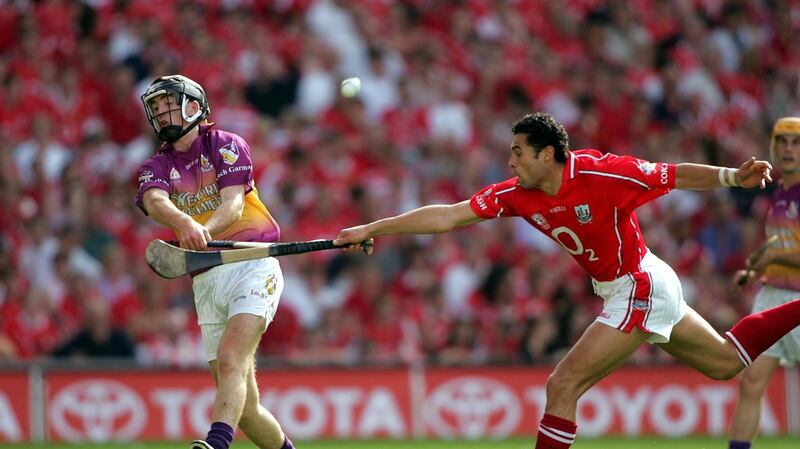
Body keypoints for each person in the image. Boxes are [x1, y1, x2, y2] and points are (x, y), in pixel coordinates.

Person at [334, 112, 800, 449]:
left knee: (561, 386)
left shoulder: (602, 172)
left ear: (547, 154)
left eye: (518, 152)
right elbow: (448, 217)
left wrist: (731, 178)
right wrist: (373, 228)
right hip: (630, 286)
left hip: (640, 283)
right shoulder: (517, 194)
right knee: (724, 363)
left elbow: (672, 175)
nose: (511, 162)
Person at [134, 75, 295, 449]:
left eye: (168, 103)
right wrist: (184, 223)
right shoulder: (153, 165)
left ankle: (217, 443)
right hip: (207, 279)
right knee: (247, 408)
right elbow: (156, 201)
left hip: (253, 264)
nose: (161, 112)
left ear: (194, 105)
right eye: (155, 108)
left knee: (230, 360)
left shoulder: (226, 144)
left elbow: (234, 204)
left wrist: (201, 229)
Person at [728, 117, 800, 449]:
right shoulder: (779, 193)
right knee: (751, 382)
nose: (788, 149)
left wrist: (770, 260)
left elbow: (779, 253)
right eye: (782, 142)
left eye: (796, 143)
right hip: (772, 296)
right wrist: (756, 273)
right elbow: (778, 247)